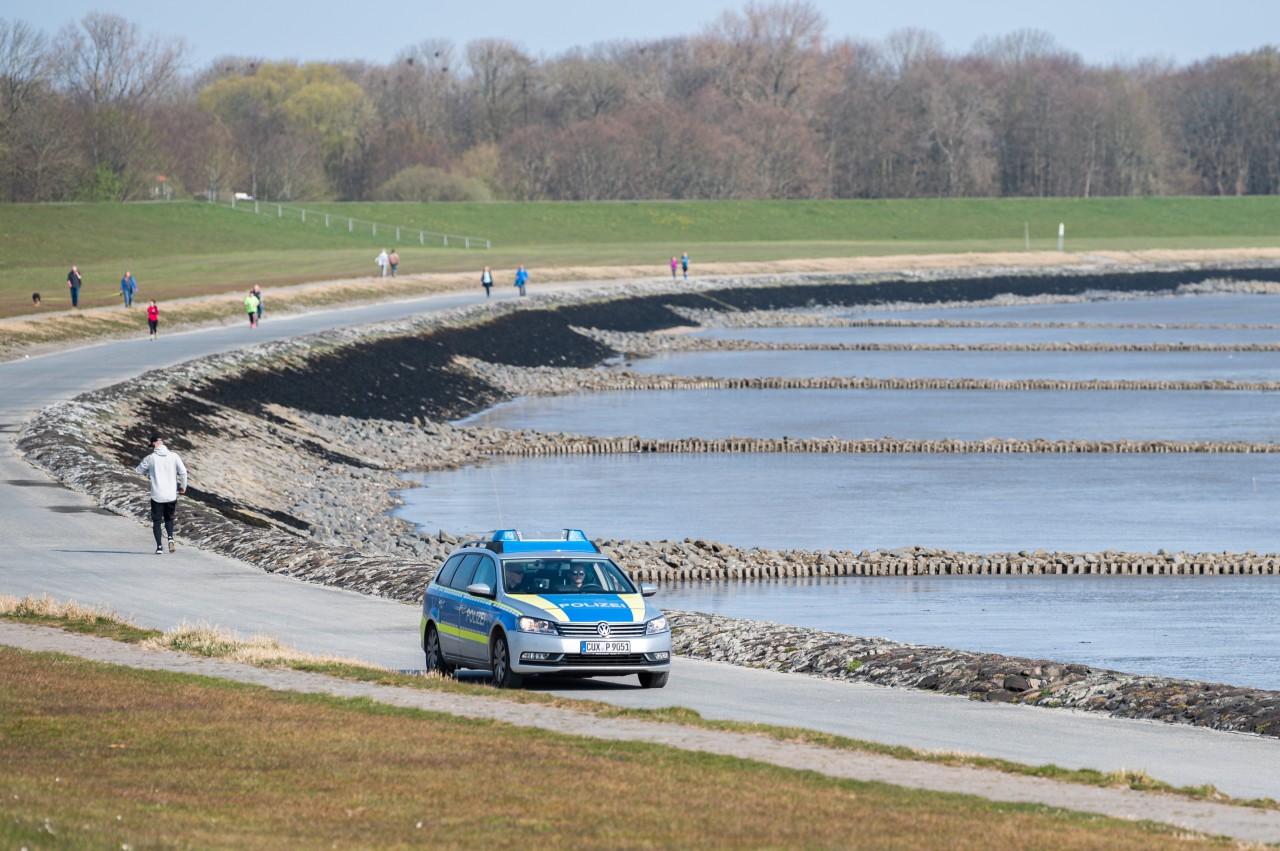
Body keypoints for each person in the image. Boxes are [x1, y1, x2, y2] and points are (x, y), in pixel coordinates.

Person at [135, 432, 187, 555]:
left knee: (157, 521)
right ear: (162, 442)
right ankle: (170, 538)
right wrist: (183, 487)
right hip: (171, 494)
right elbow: (183, 473)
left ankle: (159, 547)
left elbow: (138, 470)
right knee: (169, 518)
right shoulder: (174, 456)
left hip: (157, 495)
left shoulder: (150, 458)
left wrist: (148, 473)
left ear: (153, 444)